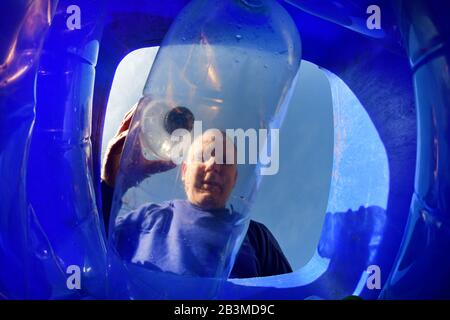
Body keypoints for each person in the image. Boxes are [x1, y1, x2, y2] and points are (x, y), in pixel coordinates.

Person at [101, 106, 292, 279]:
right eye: (203, 156)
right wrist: (110, 185)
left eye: (225, 160)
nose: (213, 165)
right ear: (184, 171)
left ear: (234, 179)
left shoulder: (254, 235)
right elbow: (89, 253)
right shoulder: (147, 218)